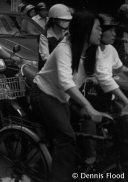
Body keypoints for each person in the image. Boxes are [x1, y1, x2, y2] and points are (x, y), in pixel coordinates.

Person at [30, 11, 104, 182]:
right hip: (44, 94)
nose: (101, 32)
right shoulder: (64, 48)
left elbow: (106, 76)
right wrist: (88, 106)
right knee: (66, 136)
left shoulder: (93, 50)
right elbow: (66, 83)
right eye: (98, 28)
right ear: (85, 31)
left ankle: (43, 167)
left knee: (71, 135)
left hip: (63, 98)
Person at [77, 14, 128, 165]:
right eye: (110, 30)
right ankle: (90, 158)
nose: (114, 34)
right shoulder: (90, 50)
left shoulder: (111, 49)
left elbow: (119, 69)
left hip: (105, 98)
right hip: (85, 98)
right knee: (89, 118)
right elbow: (105, 78)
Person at [38, 4, 72, 71]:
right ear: (54, 20)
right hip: (48, 72)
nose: (66, 22)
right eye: (63, 20)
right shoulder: (44, 36)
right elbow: (46, 58)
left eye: (68, 20)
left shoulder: (67, 34)